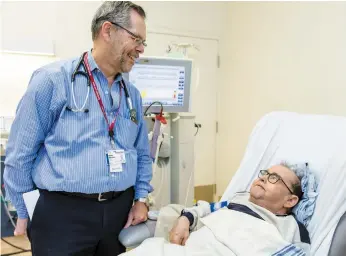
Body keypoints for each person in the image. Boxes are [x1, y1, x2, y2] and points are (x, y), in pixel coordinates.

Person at [4, 1, 152, 255]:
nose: (140, 49)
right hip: (63, 215)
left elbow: (141, 153)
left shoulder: (132, 96)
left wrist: (140, 199)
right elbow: (20, 153)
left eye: (143, 42)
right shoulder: (52, 81)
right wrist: (24, 208)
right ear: (108, 31)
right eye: (136, 38)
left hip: (119, 212)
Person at [119, 163, 314, 256]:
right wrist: (185, 219)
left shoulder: (293, 229)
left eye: (274, 179)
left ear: (290, 200)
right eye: (265, 173)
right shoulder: (236, 201)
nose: (263, 178)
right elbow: (202, 209)